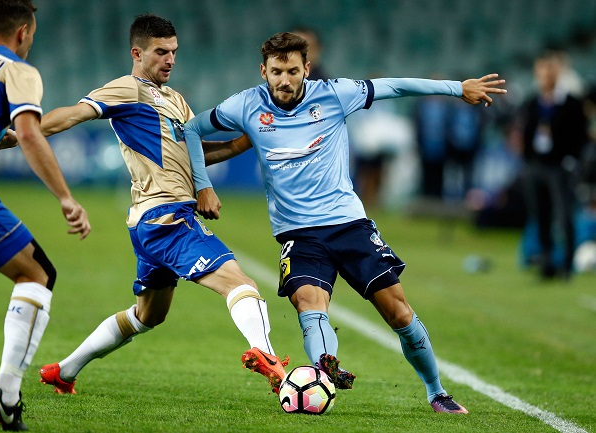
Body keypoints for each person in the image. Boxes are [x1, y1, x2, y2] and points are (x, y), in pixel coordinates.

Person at [184, 31, 507, 414]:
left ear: (307, 68)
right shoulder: (245, 105)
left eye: (291, 70)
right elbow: (191, 129)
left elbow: (395, 87)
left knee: (399, 312)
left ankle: (436, 391)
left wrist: (458, 89)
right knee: (308, 302)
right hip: (298, 233)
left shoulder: (334, 93)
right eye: (275, 72)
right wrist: (202, 187)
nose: (283, 80)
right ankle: (324, 368)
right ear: (263, 71)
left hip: (348, 224)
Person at [34, 14, 288, 398]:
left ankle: (64, 371)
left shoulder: (175, 100)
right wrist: (19, 132)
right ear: (137, 53)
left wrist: (245, 140)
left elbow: (195, 154)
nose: (169, 59)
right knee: (240, 283)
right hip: (166, 216)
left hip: (150, 223)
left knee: (148, 315)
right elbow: (70, 115)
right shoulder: (128, 89)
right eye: (160, 52)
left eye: (174, 52)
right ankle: (271, 362)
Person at [0, 0, 91, 430]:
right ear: (24, 33)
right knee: (38, 273)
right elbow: (29, 132)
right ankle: (7, 394)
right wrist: (66, 198)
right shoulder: (17, 68)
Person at [519, 50, 587, 280]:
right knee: (541, 216)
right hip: (537, 166)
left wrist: (571, 160)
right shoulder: (533, 103)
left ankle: (567, 265)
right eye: (541, 72)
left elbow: (581, 135)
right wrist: (528, 161)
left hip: (560, 166)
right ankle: (547, 263)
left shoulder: (571, 103)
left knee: (564, 215)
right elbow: (526, 134)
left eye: (549, 71)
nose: (544, 76)